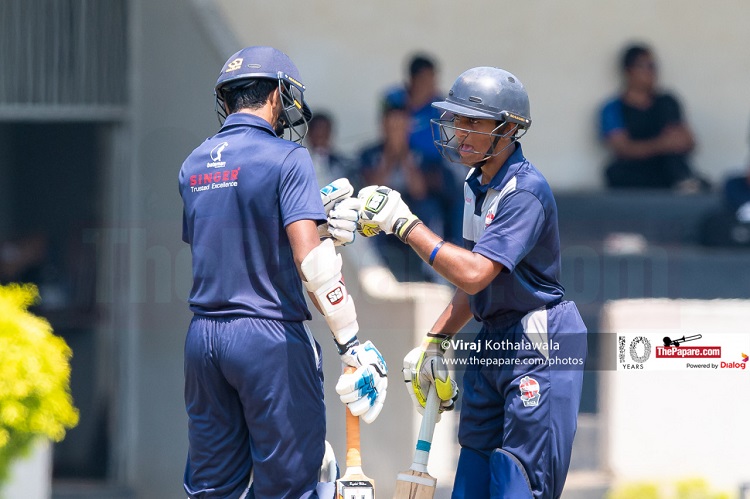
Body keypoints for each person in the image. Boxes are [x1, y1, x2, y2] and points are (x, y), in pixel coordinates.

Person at [356, 67, 587, 498]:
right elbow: (474, 280)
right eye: (457, 119)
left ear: (509, 128)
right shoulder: (474, 184)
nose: (460, 131)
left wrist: (405, 224)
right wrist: (436, 340)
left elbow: (476, 272)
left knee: (518, 484)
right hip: (493, 337)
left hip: (538, 340)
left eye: (474, 122)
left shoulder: (524, 190)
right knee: (471, 479)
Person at [178, 46, 387, 499]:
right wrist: (351, 343)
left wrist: (314, 219)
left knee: (212, 490)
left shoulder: (193, 163)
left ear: (226, 98)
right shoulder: (288, 157)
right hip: (268, 337)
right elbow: (311, 262)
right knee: (291, 487)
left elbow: (230, 241)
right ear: (277, 94)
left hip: (204, 340)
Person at [599, 43, 708, 192]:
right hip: (635, 169)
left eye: (653, 66)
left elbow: (687, 142)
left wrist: (671, 144)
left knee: (675, 164)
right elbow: (623, 148)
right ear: (628, 71)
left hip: (668, 166)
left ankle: (684, 183)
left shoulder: (667, 102)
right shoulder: (613, 108)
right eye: (645, 66)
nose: (651, 72)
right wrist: (661, 144)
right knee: (614, 172)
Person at [305, 111, 355, 186]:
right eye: (317, 134)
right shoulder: (299, 162)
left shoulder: (343, 163)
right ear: (308, 134)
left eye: (324, 132)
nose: (321, 136)